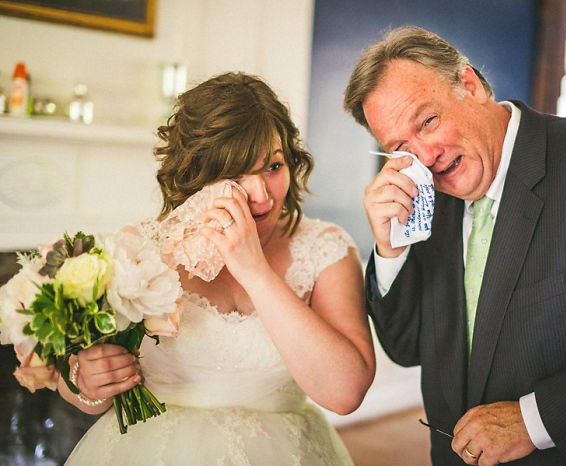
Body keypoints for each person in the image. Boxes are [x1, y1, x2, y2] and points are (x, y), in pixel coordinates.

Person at [343, 25, 566, 465]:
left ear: (470, 85)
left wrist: (536, 421)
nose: (426, 156)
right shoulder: (423, 198)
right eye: (400, 146)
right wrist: (390, 250)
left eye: (428, 121)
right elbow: (406, 347)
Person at [57, 72, 375, 465]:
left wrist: (256, 271)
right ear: (196, 174)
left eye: (274, 166)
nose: (262, 195)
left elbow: (345, 394)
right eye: (235, 174)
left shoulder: (325, 249)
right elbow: (82, 390)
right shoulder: (137, 250)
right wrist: (87, 383)